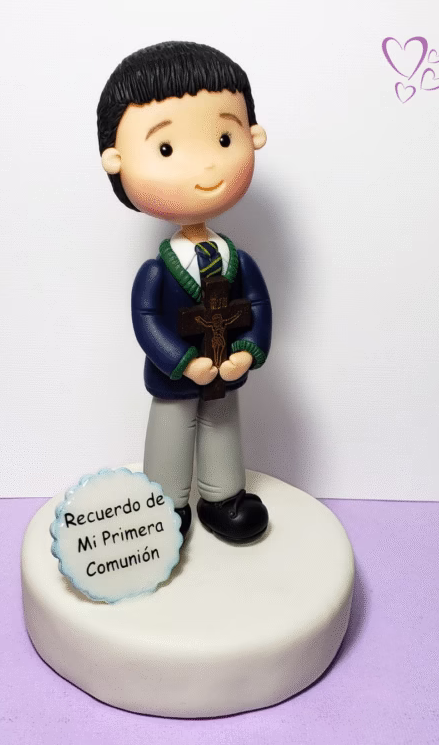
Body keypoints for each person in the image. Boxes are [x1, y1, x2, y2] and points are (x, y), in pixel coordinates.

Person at [97, 41, 272, 542]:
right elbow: (147, 321)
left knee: (222, 429)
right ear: (115, 159)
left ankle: (223, 498)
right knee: (171, 435)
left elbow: (257, 306)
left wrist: (248, 351)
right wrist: (182, 361)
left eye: (224, 139)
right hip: (176, 377)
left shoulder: (238, 261)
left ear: (253, 135)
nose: (206, 168)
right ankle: (165, 504)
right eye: (166, 150)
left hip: (225, 371)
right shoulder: (157, 272)